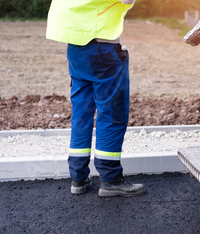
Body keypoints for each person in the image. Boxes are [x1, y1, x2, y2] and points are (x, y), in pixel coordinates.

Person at [46, 0, 146, 197]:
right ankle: (110, 179)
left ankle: (78, 177)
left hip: (76, 47)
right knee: (112, 112)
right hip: (102, 48)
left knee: (81, 113)